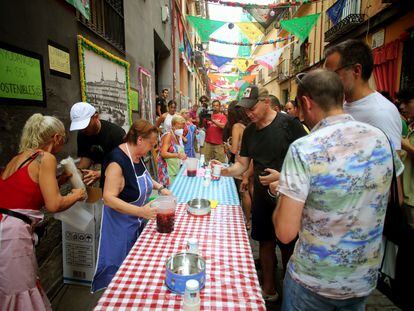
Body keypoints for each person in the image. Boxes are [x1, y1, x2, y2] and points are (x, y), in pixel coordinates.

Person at [272, 69, 404, 311]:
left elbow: (284, 232)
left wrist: (282, 192)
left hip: (313, 282)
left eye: (300, 110)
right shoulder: (381, 139)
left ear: (306, 102)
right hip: (361, 280)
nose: (300, 117)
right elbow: (396, 197)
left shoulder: (304, 148)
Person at [219, 85, 307, 301]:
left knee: (288, 245)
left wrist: (281, 177)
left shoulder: (289, 124)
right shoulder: (249, 131)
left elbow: (308, 162)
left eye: (252, 108)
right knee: (264, 242)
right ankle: (269, 286)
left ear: (266, 102)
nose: (248, 113)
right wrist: (222, 171)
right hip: (260, 196)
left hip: (288, 196)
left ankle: (289, 287)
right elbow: (241, 165)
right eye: (245, 109)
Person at [0, 114, 86, 309]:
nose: (62, 145)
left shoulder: (20, 157)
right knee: (20, 290)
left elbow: (24, 191)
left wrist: (59, 182)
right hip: (12, 234)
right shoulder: (45, 158)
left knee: (7, 289)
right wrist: (77, 194)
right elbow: (54, 205)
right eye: (63, 140)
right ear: (55, 138)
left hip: (4, 227)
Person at [92, 119, 171, 292]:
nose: (153, 148)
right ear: (140, 140)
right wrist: (140, 211)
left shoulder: (137, 155)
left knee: (135, 268)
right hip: (118, 228)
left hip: (136, 222)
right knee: (120, 273)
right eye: (152, 144)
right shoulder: (116, 161)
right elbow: (108, 198)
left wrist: (160, 187)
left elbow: (144, 175)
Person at [324, 39, 402, 150]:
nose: (327, 80)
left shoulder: (382, 113)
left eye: (332, 74)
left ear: (356, 70)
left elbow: (389, 162)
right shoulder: (340, 106)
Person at [70, 102, 126, 186]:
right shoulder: (82, 133)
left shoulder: (117, 134)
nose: (83, 130)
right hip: (100, 174)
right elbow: (86, 157)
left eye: (85, 125)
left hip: (118, 178)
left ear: (96, 117)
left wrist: (100, 173)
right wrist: (78, 172)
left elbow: (123, 164)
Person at [394, 88, 414, 310]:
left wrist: (403, 144)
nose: (402, 107)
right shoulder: (410, 125)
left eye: (407, 102)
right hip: (407, 196)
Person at [225, 100, 253, 230]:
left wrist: (227, 146)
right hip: (251, 163)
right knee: (249, 191)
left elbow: (234, 150)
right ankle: (249, 219)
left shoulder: (237, 126)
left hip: (241, 163)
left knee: (243, 192)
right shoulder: (249, 125)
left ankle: (246, 221)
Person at [157, 116, 187, 186]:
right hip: (167, 171)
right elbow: (163, 153)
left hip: (174, 169)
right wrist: (178, 155)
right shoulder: (168, 135)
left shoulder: (177, 136)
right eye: (179, 127)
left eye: (182, 128)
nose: (181, 129)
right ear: (173, 126)